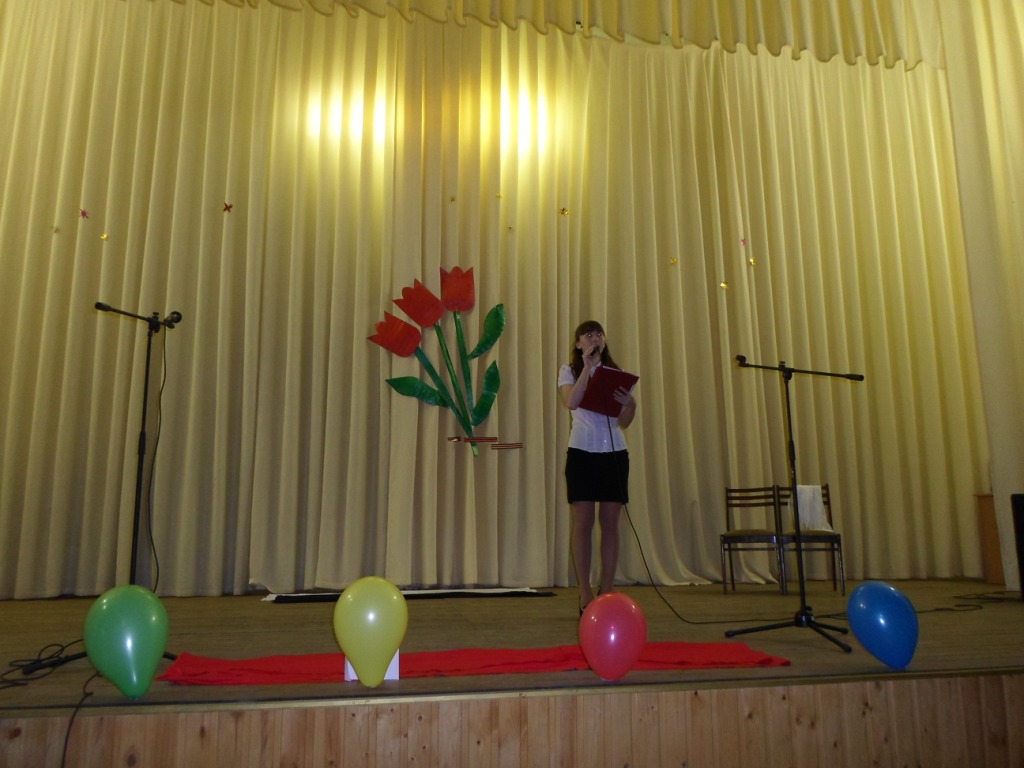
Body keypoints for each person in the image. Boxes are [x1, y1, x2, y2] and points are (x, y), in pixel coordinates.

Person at [557, 320, 637, 615]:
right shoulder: (569, 371)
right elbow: (572, 402)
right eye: (588, 335)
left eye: (599, 334)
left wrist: (631, 405)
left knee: (611, 523)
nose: (595, 338)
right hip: (582, 452)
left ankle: (608, 589)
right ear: (579, 343)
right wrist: (588, 369)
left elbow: (623, 422)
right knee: (583, 522)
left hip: (614, 453)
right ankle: (585, 591)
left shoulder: (616, 373)